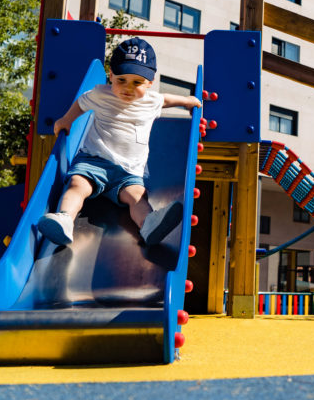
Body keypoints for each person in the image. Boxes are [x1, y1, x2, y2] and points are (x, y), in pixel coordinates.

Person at [37, 37, 201, 246]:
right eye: (121, 80)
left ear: (150, 83)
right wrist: (67, 120)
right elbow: (80, 103)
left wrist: (188, 101)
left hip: (129, 172)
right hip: (93, 161)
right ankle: (65, 218)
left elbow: (168, 99)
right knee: (77, 186)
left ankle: (149, 225)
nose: (128, 88)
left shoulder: (152, 101)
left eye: (137, 82)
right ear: (111, 75)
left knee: (137, 197)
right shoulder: (100, 94)